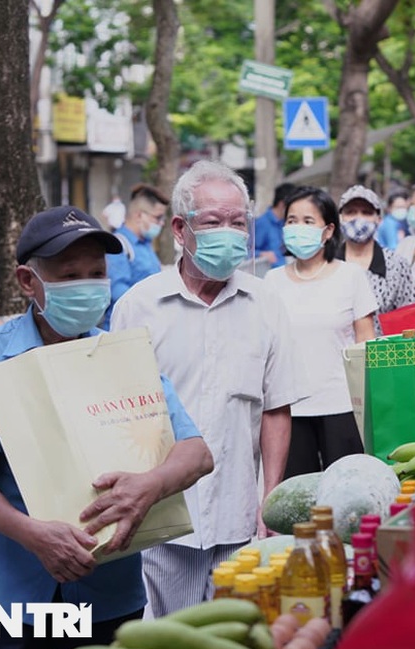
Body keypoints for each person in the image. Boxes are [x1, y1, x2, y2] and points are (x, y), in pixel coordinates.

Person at [0, 205, 213, 649]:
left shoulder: (122, 355)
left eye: (96, 272)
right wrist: (36, 536)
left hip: (108, 596)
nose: (87, 285)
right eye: (70, 275)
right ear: (29, 281)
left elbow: (197, 453)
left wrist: (149, 486)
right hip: (8, 598)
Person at [111, 160, 303, 616]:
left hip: (240, 520)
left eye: (238, 222)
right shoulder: (139, 307)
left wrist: (268, 502)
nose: (229, 233)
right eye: (214, 222)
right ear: (180, 228)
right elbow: (118, 417)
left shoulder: (266, 304)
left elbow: (276, 409)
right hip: (161, 524)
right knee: (166, 644)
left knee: (232, 640)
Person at [265, 187, 377, 477]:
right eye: (291, 220)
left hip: (342, 407)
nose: (297, 228)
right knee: (297, 506)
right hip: (290, 410)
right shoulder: (272, 281)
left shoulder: (350, 277)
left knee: (347, 498)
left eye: (307, 221)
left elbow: (367, 344)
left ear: (327, 231)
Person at [335, 185, 415, 335]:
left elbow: (409, 320)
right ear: (340, 218)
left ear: (378, 219)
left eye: (366, 212)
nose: (358, 218)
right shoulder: (328, 264)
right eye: (351, 212)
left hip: (384, 355)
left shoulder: (396, 265)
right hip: (335, 355)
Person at [103, 183, 169, 329]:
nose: (162, 223)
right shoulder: (119, 244)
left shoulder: (145, 244)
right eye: (157, 217)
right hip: (125, 331)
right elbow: (118, 291)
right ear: (139, 215)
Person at [254, 182, 296, 269]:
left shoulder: (285, 222)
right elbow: (246, 252)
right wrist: (262, 254)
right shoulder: (262, 223)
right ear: (282, 204)